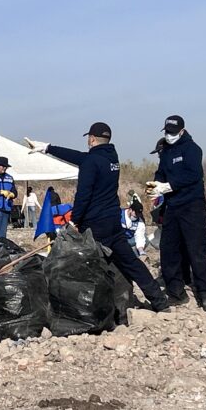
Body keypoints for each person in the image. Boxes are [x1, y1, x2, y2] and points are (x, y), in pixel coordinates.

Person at [26, 123, 169, 312]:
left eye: (88, 138)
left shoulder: (91, 162)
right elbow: (80, 158)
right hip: (112, 220)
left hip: (94, 223)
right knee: (131, 262)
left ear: (92, 139)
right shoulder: (111, 158)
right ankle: (159, 301)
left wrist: (74, 220)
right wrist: (47, 148)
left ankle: (86, 309)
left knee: (85, 264)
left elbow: (84, 194)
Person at [146, 115, 206, 312]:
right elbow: (161, 171)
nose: (169, 135)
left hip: (192, 206)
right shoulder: (166, 151)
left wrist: (169, 186)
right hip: (172, 207)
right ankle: (176, 293)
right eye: (167, 132)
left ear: (182, 131)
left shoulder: (192, 149)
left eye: (173, 132)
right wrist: (156, 184)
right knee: (169, 250)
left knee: (196, 251)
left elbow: (194, 175)